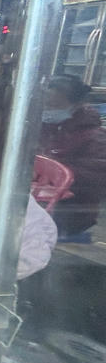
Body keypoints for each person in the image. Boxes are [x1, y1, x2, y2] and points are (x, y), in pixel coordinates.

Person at [37, 75, 106, 240]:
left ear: (77, 106)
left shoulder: (95, 137)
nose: (48, 110)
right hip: (37, 204)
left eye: (54, 106)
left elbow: (93, 179)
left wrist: (49, 171)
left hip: (69, 214)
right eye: (46, 105)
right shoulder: (44, 127)